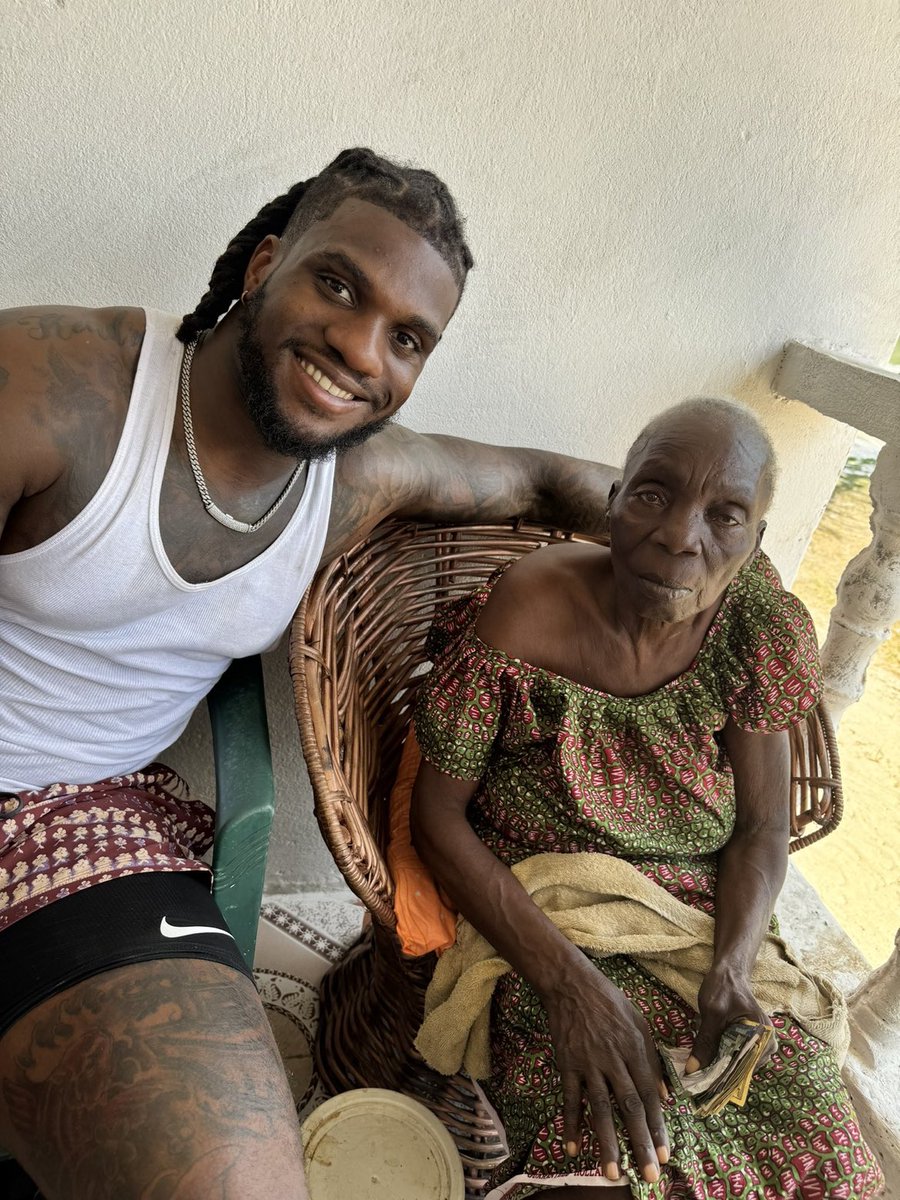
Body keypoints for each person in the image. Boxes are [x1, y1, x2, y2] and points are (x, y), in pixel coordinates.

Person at [0, 148, 618, 1200]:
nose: (360, 350)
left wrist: (710, 554)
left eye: (407, 338)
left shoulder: (359, 475)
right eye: (338, 285)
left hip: (86, 827)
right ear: (263, 265)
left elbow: (546, 480)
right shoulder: (57, 387)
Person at [410, 397, 884, 1199]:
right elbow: (437, 817)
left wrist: (732, 971)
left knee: (822, 1144)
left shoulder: (756, 624)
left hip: (694, 918)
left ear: (756, 539)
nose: (679, 536)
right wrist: (570, 990)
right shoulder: (528, 611)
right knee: (618, 1152)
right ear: (614, 502)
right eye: (654, 494)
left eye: (725, 516)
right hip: (548, 918)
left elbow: (762, 828)